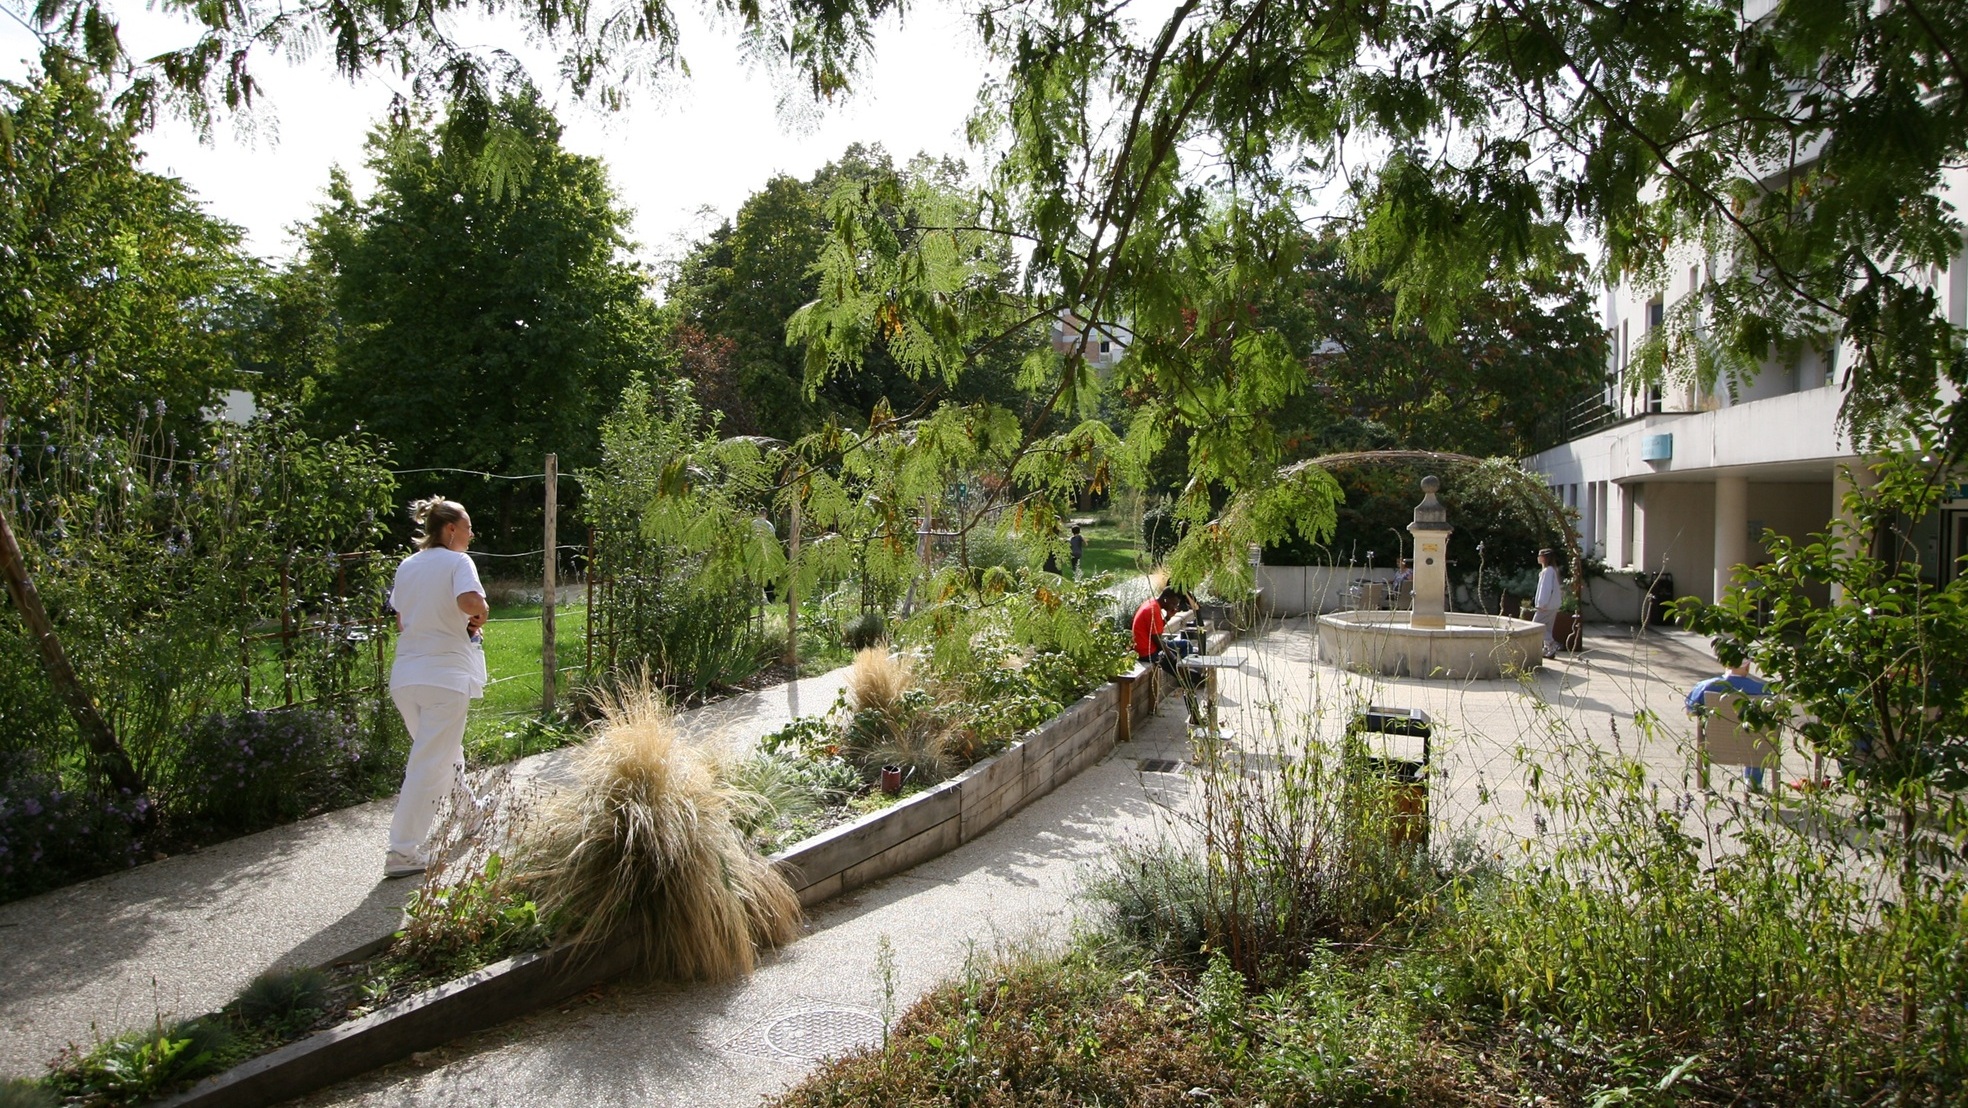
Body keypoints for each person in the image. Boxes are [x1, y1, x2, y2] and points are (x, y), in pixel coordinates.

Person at [384, 497, 489, 878]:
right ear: (450, 530)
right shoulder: (458, 561)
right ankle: (403, 850)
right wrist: (480, 617)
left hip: (406, 679)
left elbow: (401, 621)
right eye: (468, 526)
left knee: (443, 753)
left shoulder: (407, 565)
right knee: (429, 763)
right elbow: (471, 603)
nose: (471, 533)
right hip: (444, 679)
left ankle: (471, 813)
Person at [1685, 654, 1772, 790]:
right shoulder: (1763, 690)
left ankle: (1703, 782)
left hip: (1715, 741)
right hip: (1750, 744)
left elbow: (1691, 711)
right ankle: (1754, 781)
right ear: (1748, 666)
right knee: (1760, 733)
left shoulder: (1705, 686)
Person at [1531, 548, 1562, 659]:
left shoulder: (1548, 571)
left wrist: (1542, 603)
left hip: (1546, 606)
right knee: (1547, 627)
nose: (1538, 557)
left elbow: (1546, 588)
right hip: (1552, 605)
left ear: (1544, 557)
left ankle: (1552, 645)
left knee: (1536, 626)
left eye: (1539, 555)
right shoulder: (1552, 570)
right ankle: (1548, 648)